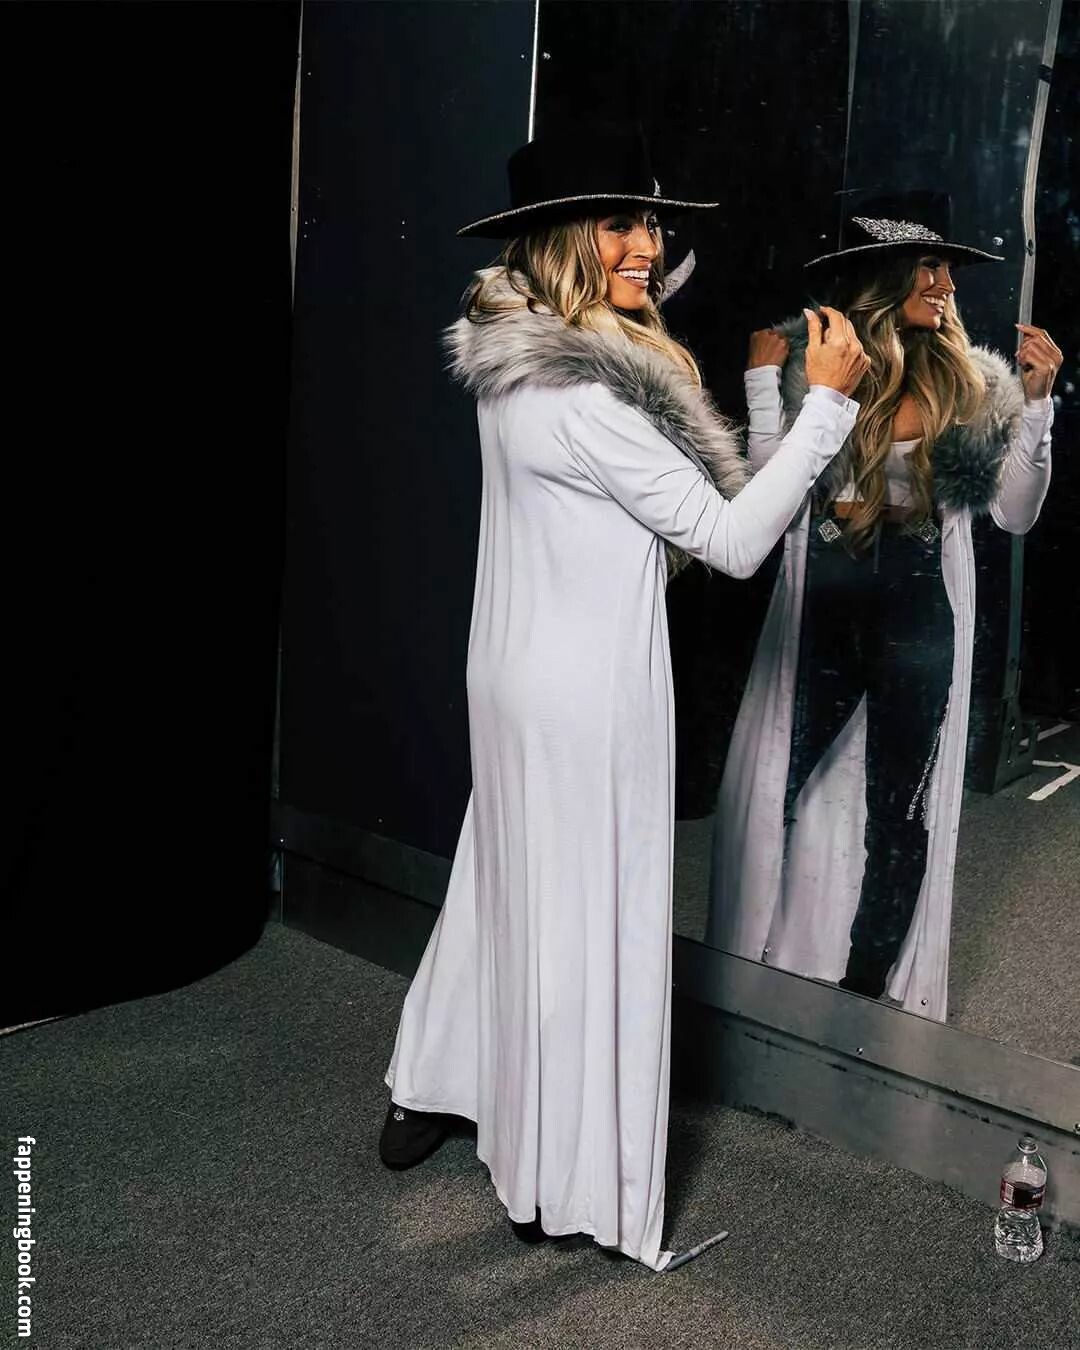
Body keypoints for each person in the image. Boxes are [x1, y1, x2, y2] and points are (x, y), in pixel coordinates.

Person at [379, 125, 867, 1271]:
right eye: (620, 223)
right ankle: (559, 1179)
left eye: (652, 221)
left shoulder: (513, 348)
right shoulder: (586, 397)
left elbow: (643, 500)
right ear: (562, 240)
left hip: (512, 670)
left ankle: (432, 1083)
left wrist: (663, 325)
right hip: (585, 690)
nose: (648, 242)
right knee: (579, 921)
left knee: (500, 884)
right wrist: (826, 407)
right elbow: (731, 544)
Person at [707, 191, 1060, 1021]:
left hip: (917, 613)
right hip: (827, 606)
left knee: (898, 811)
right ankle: (756, 967)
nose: (946, 284)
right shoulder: (810, 366)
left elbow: (1014, 515)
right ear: (885, 274)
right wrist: (762, 386)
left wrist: (1038, 408)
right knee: (772, 787)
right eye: (930, 265)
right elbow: (764, 499)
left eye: (948, 269)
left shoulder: (973, 383)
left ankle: (863, 994)